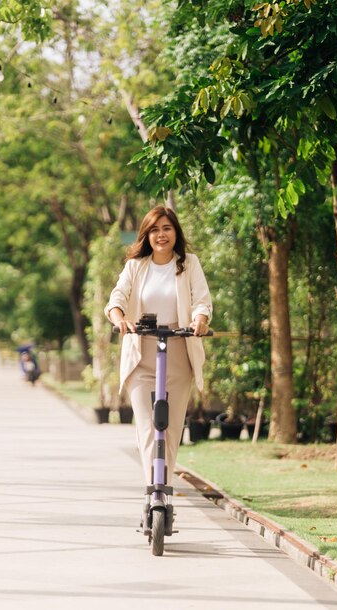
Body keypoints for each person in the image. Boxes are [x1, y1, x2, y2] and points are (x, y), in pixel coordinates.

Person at [104, 205, 212, 486]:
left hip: (178, 351)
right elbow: (117, 299)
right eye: (154, 230)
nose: (161, 235)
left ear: (175, 232)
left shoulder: (189, 264)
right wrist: (120, 319)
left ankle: (163, 487)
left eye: (166, 228)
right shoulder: (135, 267)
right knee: (148, 428)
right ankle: (154, 489)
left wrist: (200, 320)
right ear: (146, 235)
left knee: (171, 428)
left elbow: (202, 300)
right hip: (142, 353)